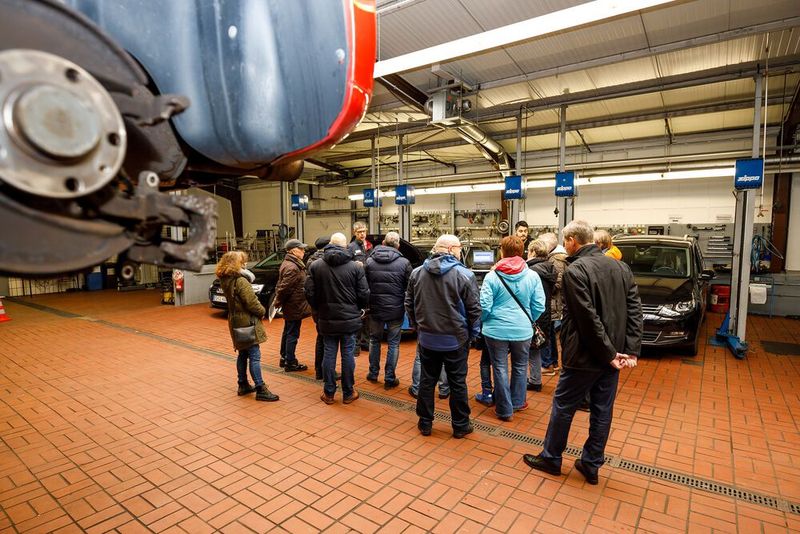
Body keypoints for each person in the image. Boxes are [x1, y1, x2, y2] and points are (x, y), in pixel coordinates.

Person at [522, 220, 642, 485]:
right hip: (614, 357)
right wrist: (628, 351)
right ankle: (591, 464)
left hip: (584, 356)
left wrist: (608, 353)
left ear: (573, 241)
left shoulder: (577, 271)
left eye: (565, 241)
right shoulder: (622, 268)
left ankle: (552, 458)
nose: (565, 246)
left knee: (564, 406)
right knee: (602, 410)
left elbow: (586, 318)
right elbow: (635, 311)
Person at [405, 234, 481, 438]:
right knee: (457, 382)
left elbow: (409, 303)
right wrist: (473, 333)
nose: (460, 251)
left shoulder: (417, 273)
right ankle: (460, 425)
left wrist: (417, 327)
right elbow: (474, 309)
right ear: (449, 249)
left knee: (427, 380)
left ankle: (425, 423)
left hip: (427, 338)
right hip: (455, 339)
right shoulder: (465, 275)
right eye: (458, 247)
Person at [479, 236, 545, 422]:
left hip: (495, 330)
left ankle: (504, 409)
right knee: (520, 365)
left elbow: (484, 306)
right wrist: (528, 319)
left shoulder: (492, 276)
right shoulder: (532, 276)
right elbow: (539, 305)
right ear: (522, 252)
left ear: (502, 251)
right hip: (522, 330)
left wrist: (485, 321)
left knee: (499, 366)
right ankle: (517, 402)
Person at [306, 232, 369, 405]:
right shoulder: (356, 267)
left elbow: (309, 292)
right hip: (350, 318)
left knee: (329, 353)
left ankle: (329, 393)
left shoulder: (316, 266)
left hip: (326, 316)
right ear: (346, 246)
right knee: (348, 354)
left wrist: (318, 308)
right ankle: (348, 392)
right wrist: (361, 308)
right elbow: (364, 293)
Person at [216, 251, 278, 402]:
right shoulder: (241, 281)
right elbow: (251, 302)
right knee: (254, 355)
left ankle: (242, 384)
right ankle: (260, 388)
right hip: (247, 321)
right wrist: (263, 311)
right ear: (235, 264)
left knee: (243, 353)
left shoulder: (225, 279)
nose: (244, 264)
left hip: (235, 320)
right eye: (242, 262)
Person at [364, 231, 411, 389]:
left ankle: (373, 373)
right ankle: (390, 378)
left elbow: (364, 285)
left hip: (375, 308)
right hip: (395, 309)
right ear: (398, 245)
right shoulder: (404, 263)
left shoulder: (369, 261)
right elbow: (409, 287)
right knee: (393, 344)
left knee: (374, 340)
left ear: (383, 243)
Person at [274, 239, 311, 372]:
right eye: (301, 249)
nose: (303, 251)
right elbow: (283, 287)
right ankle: (290, 362)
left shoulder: (291, 263)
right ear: (293, 251)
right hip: (294, 306)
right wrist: (277, 301)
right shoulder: (292, 267)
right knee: (292, 334)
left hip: (293, 305)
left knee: (288, 331)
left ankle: (284, 358)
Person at [526, 239, 557, 392]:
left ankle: (534, 380)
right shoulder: (549, 268)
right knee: (536, 349)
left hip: (533, 314)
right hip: (545, 313)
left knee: (530, 351)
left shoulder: (532, 271)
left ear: (532, 252)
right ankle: (535, 378)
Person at [538, 233, 568, 376]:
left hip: (553, 302)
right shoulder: (554, 258)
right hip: (553, 303)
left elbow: (559, 282)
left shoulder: (557, 259)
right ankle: (553, 362)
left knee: (546, 332)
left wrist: (544, 285)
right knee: (549, 332)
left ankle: (547, 364)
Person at [306, 236, 329, 380]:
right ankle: (325, 371)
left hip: (317, 308)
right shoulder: (327, 262)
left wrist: (314, 305)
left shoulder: (310, 261)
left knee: (320, 338)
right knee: (328, 341)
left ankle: (319, 370)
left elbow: (308, 289)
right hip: (327, 307)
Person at [348, 221, 372, 353]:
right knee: (358, 315)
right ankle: (356, 344)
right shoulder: (351, 247)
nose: (362, 234)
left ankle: (365, 342)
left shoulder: (369, 246)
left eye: (364, 231)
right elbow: (346, 265)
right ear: (354, 233)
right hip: (356, 286)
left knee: (367, 315)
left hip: (367, 285)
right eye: (359, 232)